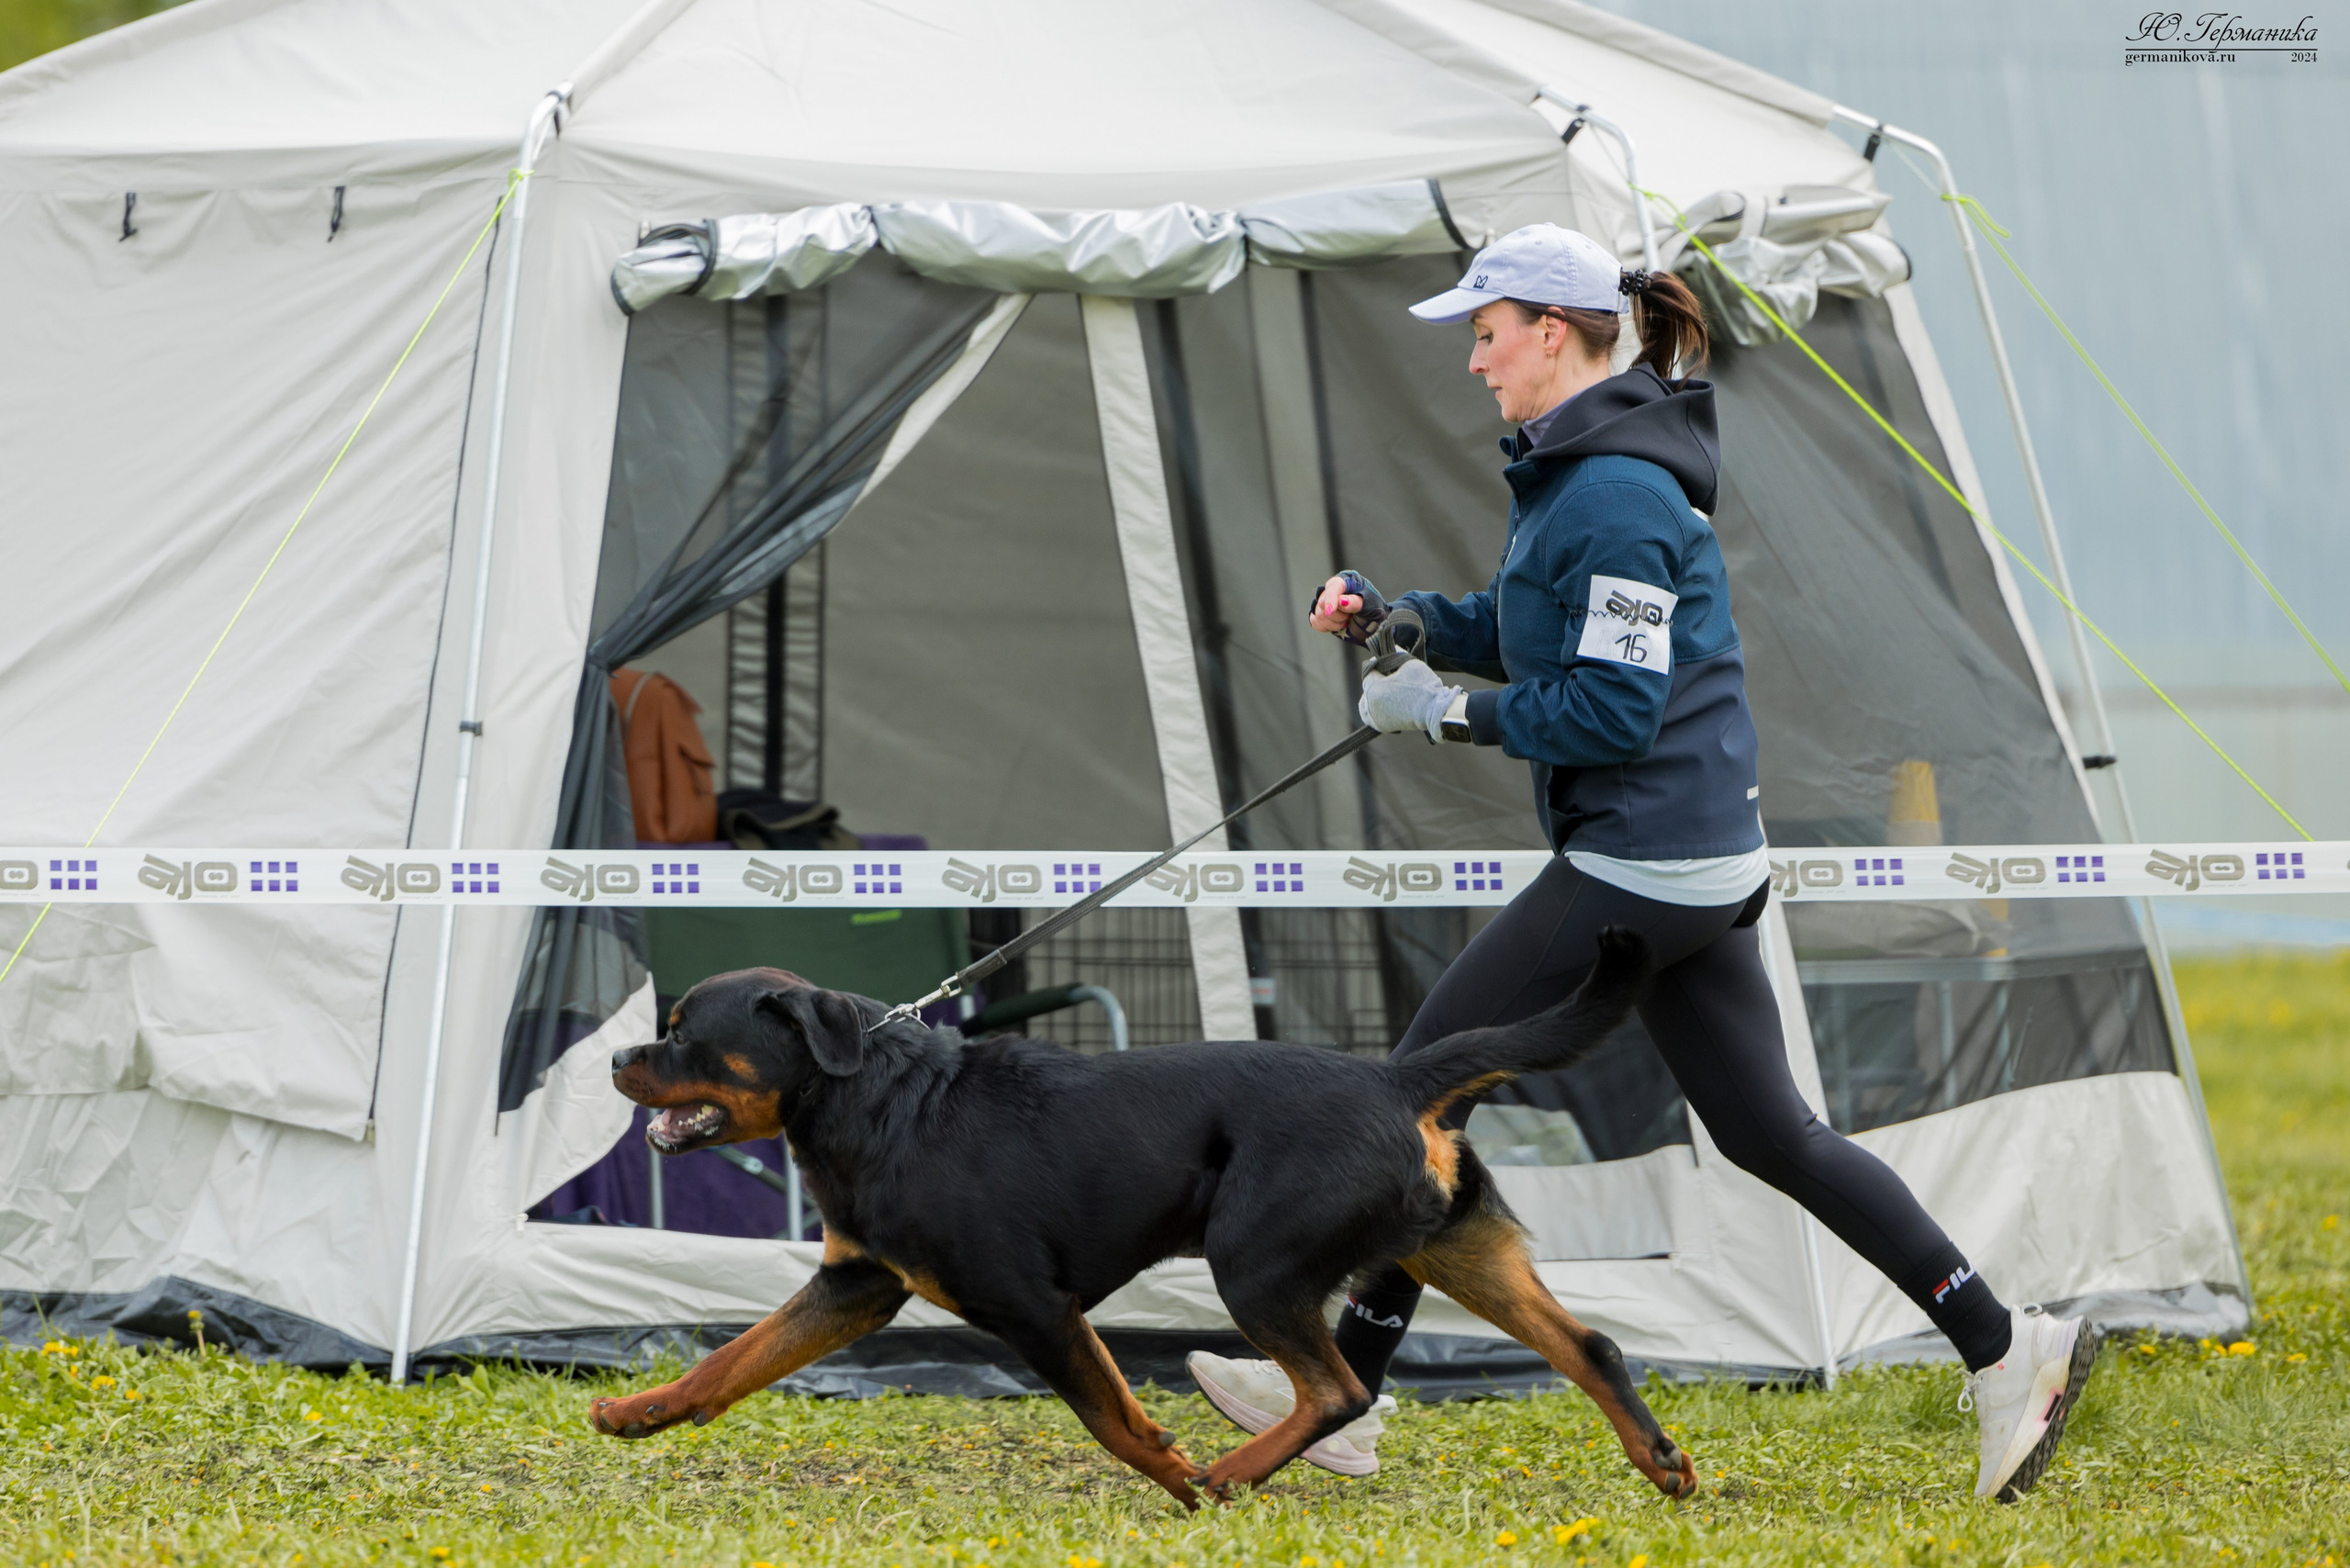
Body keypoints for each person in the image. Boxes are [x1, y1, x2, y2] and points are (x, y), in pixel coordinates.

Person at [1185, 224, 2096, 1502]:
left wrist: (1441, 714)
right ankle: (2010, 1349)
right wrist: (1403, 623)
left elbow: (1610, 714)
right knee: (1770, 1132)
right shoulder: (1581, 474)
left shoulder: (1611, 490)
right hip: (1689, 860)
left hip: (1647, 861)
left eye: (1484, 333)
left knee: (1413, 1096)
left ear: (1550, 330)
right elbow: (1527, 628)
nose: (1473, 362)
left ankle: (1345, 1399)